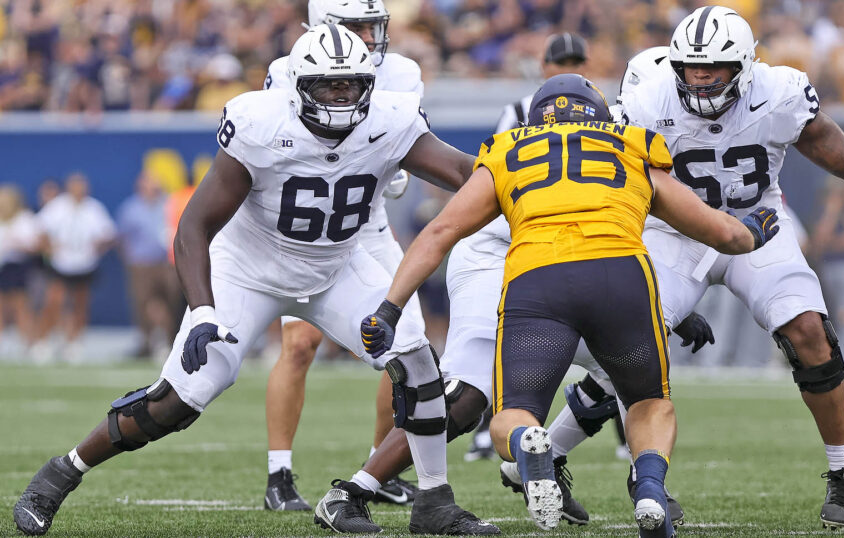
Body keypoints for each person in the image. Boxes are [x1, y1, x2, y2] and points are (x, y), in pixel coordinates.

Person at [12, 25, 493, 537]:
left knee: (418, 364)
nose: (341, 96)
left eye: (351, 85)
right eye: (329, 86)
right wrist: (202, 311)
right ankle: (61, 472)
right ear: (298, 87)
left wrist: (519, 170)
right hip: (249, 269)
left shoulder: (390, 120)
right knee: (180, 398)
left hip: (337, 266)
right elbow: (194, 226)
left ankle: (433, 503)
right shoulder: (261, 124)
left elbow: (466, 173)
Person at [360, 73, 780, 537]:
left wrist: (390, 308)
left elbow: (440, 232)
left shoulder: (508, 152)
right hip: (620, 277)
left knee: (512, 412)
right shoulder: (629, 144)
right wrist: (754, 230)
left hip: (538, 280)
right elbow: (720, 233)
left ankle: (527, 444)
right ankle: (651, 491)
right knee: (647, 400)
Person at [616, 6, 844, 530]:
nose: (699, 79)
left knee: (809, 331)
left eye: (714, 69)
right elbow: (626, 189)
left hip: (759, 224)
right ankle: (647, 475)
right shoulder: (645, 98)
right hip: (673, 234)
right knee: (635, 338)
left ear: (745, 66)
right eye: (690, 68)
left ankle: (843, 470)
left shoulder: (780, 94)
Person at [261, 0, 425, 511]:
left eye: (372, 25)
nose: (366, 37)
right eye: (353, 25)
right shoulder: (286, 70)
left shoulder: (401, 72)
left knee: (409, 346)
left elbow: (407, 144)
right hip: (310, 225)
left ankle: (379, 468)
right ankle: (278, 475)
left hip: (368, 221)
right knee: (299, 344)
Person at [465, 31, 592, 464]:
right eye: (561, 61)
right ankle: (493, 430)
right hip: (516, 240)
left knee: (621, 346)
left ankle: (546, 445)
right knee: (496, 347)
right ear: (543, 68)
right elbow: (500, 175)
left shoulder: (600, 113)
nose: (568, 68)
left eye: (576, 60)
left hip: (573, 243)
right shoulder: (518, 113)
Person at [34, 173, 116, 361]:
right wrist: (49, 249)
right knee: (54, 302)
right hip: (60, 264)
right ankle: (43, 341)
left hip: (84, 264)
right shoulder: (57, 206)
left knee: (80, 304)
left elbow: (108, 234)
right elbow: (40, 229)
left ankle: (74, 342)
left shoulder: (94, 208)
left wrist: (99, 246)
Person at [117, 172, 180, 360]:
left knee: (170, 303)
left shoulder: (169, 204)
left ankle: (166, 341)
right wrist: (131, 259)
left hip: (167, 263)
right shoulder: (131, 208)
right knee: (146, 303)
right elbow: (122, 238)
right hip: (142, 264)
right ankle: (150, 341)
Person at [0, 185, 39, 352]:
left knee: (20, 305)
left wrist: (17, 243)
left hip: (17, 267)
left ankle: (30, 344)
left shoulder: (25, 218)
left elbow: (34, 245)